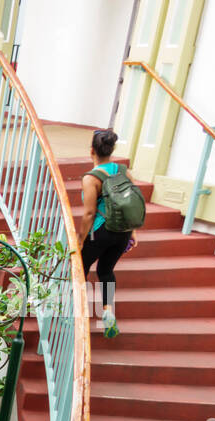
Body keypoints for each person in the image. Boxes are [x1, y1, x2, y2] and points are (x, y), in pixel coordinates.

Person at [79, 129, 137, 338]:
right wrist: (133, 232)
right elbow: (130, 204)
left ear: (91, 150)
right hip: (122, 232)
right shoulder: (124, 172)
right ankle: (108, 315)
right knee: (106, 271)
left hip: (100, 232)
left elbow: (88, 213)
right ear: (112, 150)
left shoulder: (91, 178)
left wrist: (80, 239)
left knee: (79, 271)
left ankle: (78, 315)